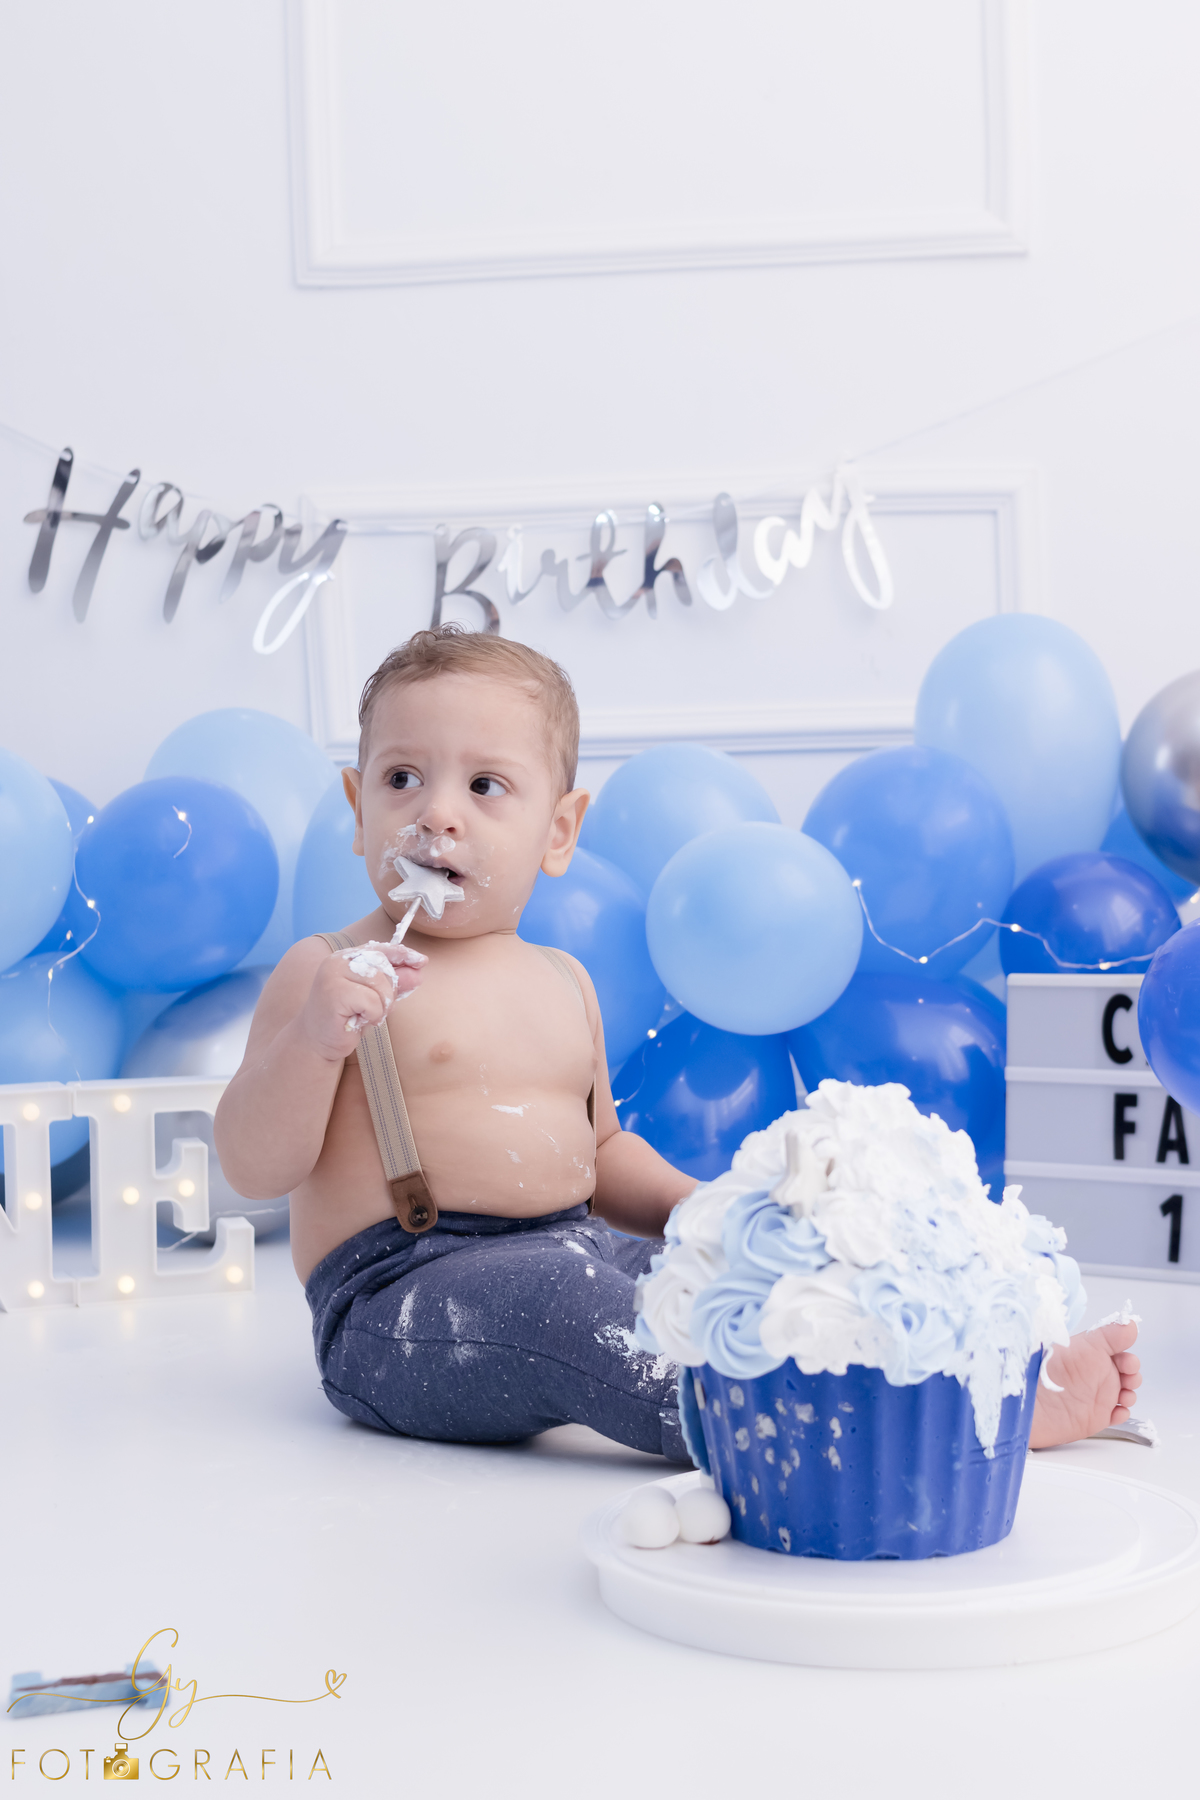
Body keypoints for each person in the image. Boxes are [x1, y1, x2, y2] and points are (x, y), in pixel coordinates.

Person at [214, 627, 1142, 1463]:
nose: (438, 813)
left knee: (745, 1285)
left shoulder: (561, 984)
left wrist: (711, 1216)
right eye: (402, 778)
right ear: (357, 803)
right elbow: (257, 1165)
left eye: (485, 786)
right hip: (404, 1299)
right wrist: (312, 1040)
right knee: (579, 1314)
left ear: (559, 830)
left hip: (571, 1247)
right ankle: (864, 1437)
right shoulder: (329, 970)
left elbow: (601, 1154)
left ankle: (970, 1376)